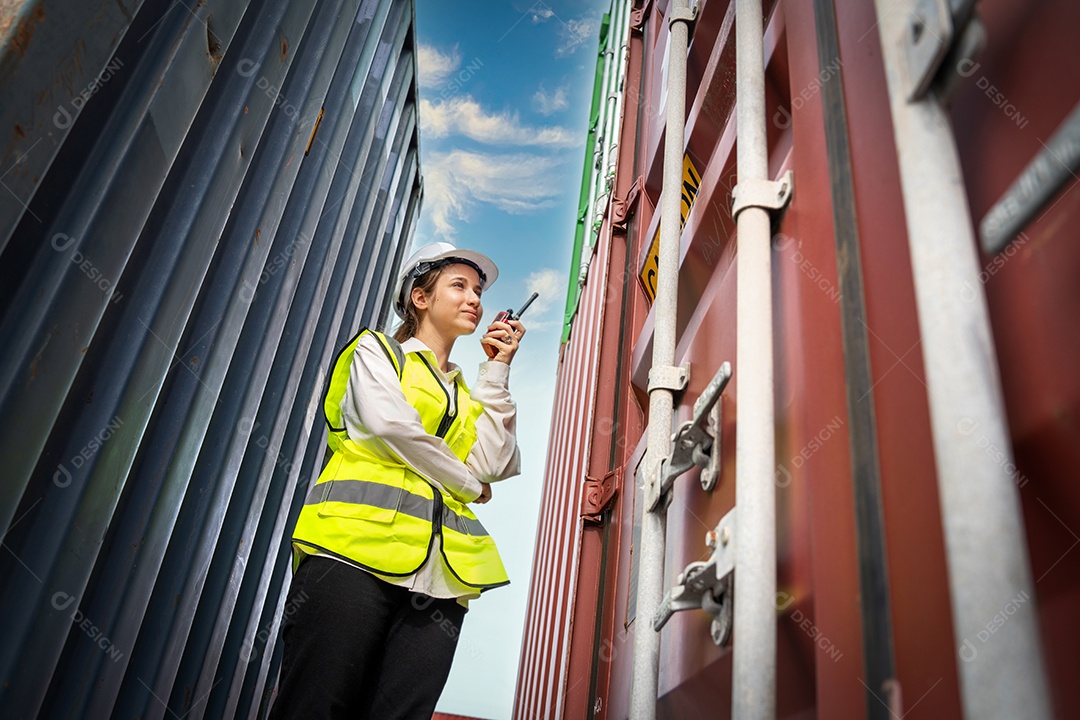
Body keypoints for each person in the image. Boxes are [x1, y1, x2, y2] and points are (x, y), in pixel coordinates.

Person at [268, 242, 525, 719]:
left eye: (479, 290)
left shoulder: (466, 393)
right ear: (420, 298)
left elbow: (495, 462)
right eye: (460, 285)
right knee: (315, 704)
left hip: (442, 579)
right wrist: (467, 485)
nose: (475, 298)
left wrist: (497, 369)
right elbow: (393, 428)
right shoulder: (378, 351)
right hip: (351, 555)